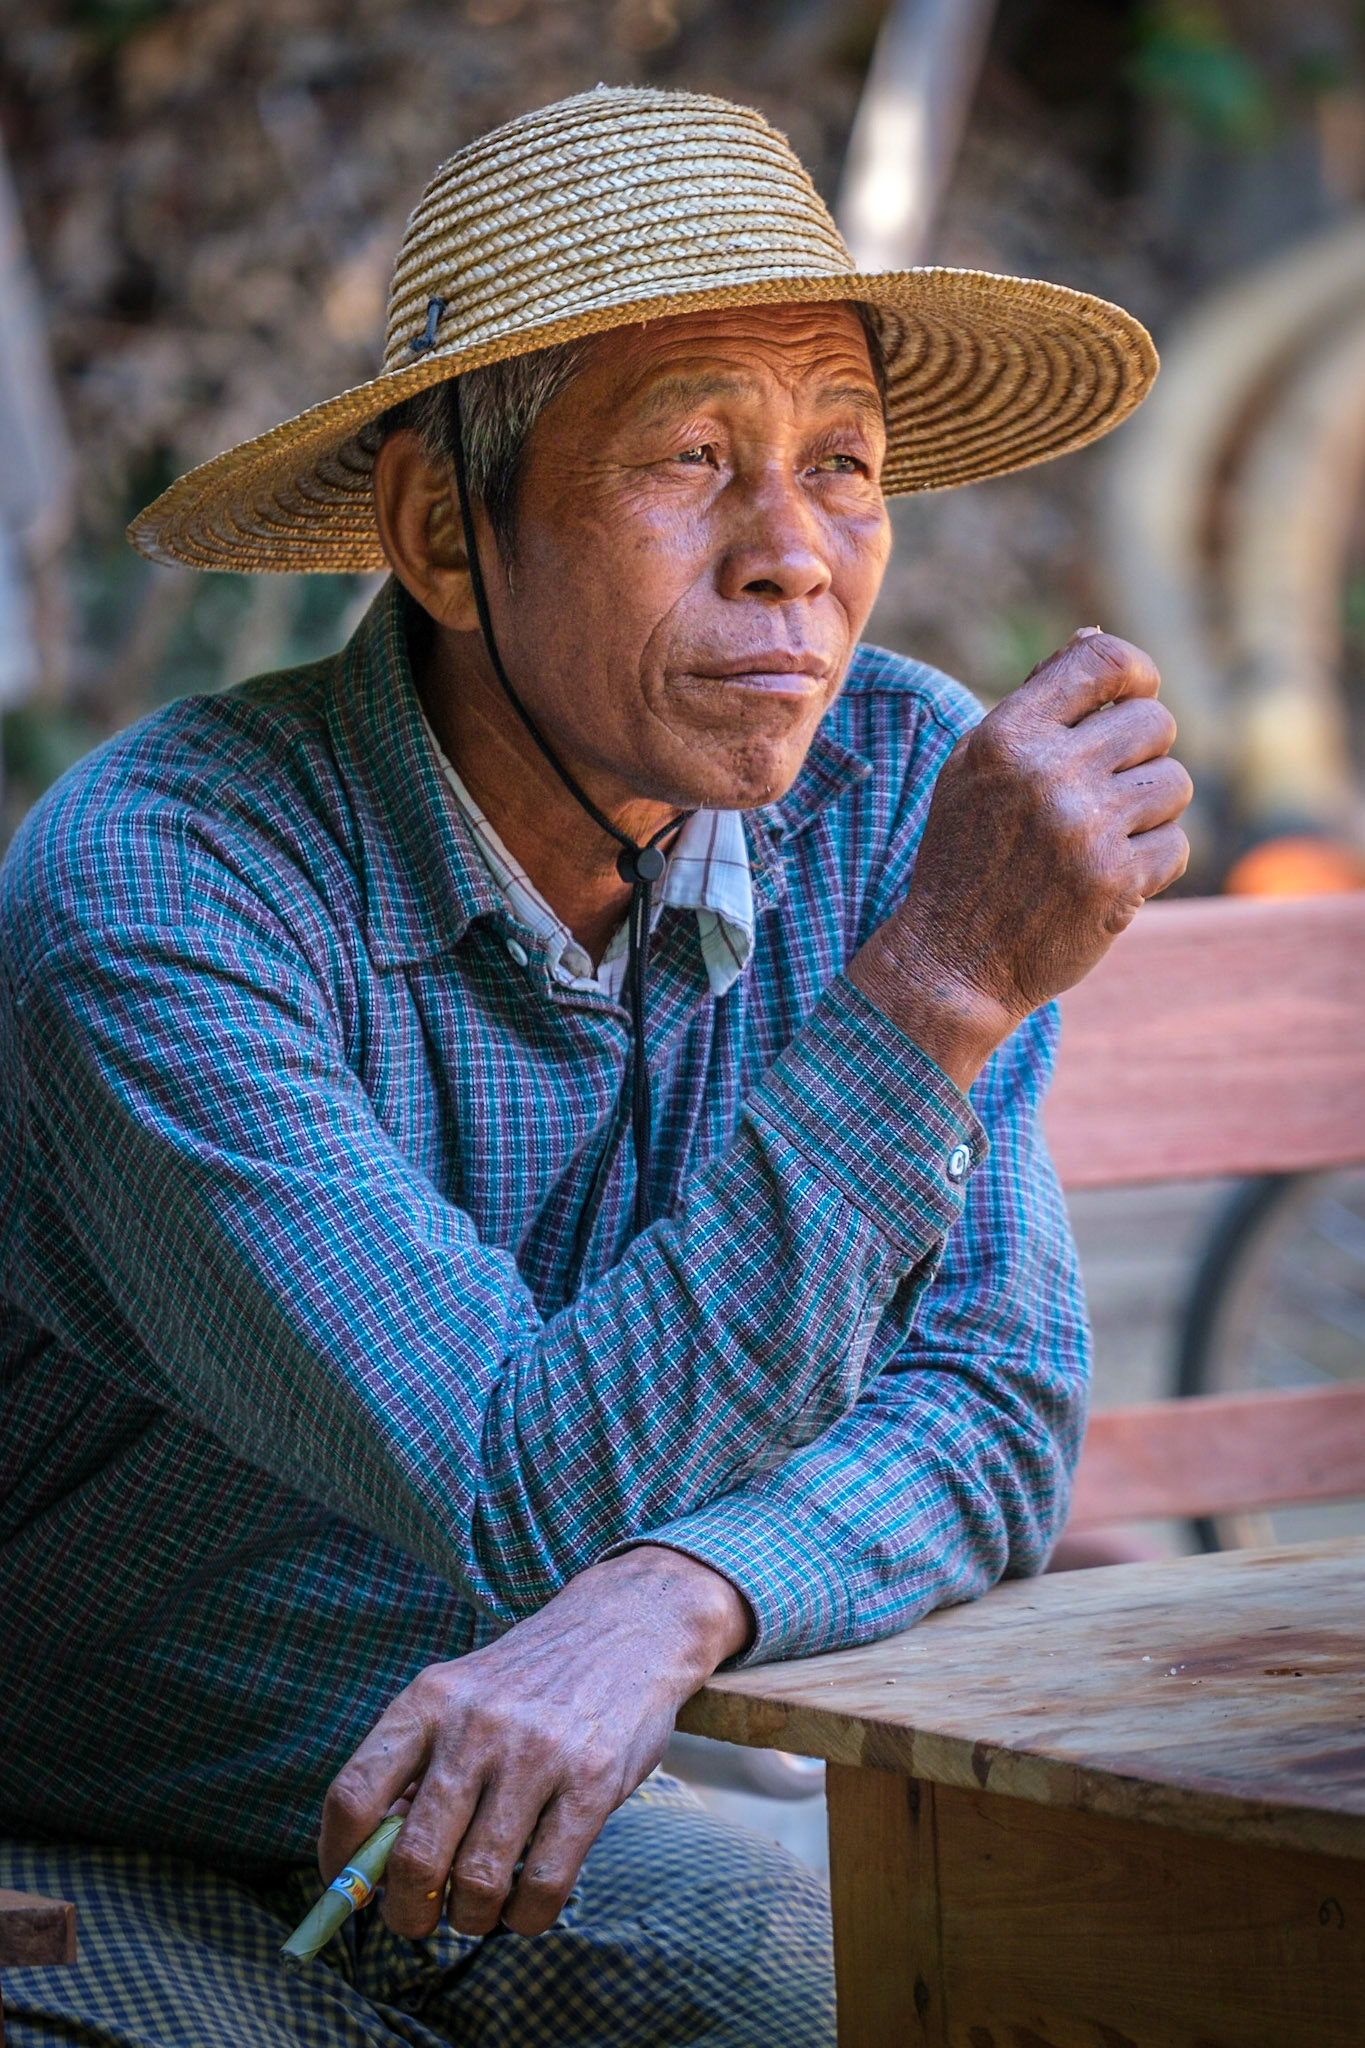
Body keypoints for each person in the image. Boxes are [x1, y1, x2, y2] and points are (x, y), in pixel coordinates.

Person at [0, 86, 1190, 2047]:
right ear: (438, 539)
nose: (792, 557)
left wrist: (676, 1598)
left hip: (499, 1807)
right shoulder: (162, 884)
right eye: (690, 461)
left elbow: (985, 1401)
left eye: (842, 465)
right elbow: (518, 1479)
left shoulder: (898, 790)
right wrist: (937, 989)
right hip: (76, 1831)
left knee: (878, 2009)